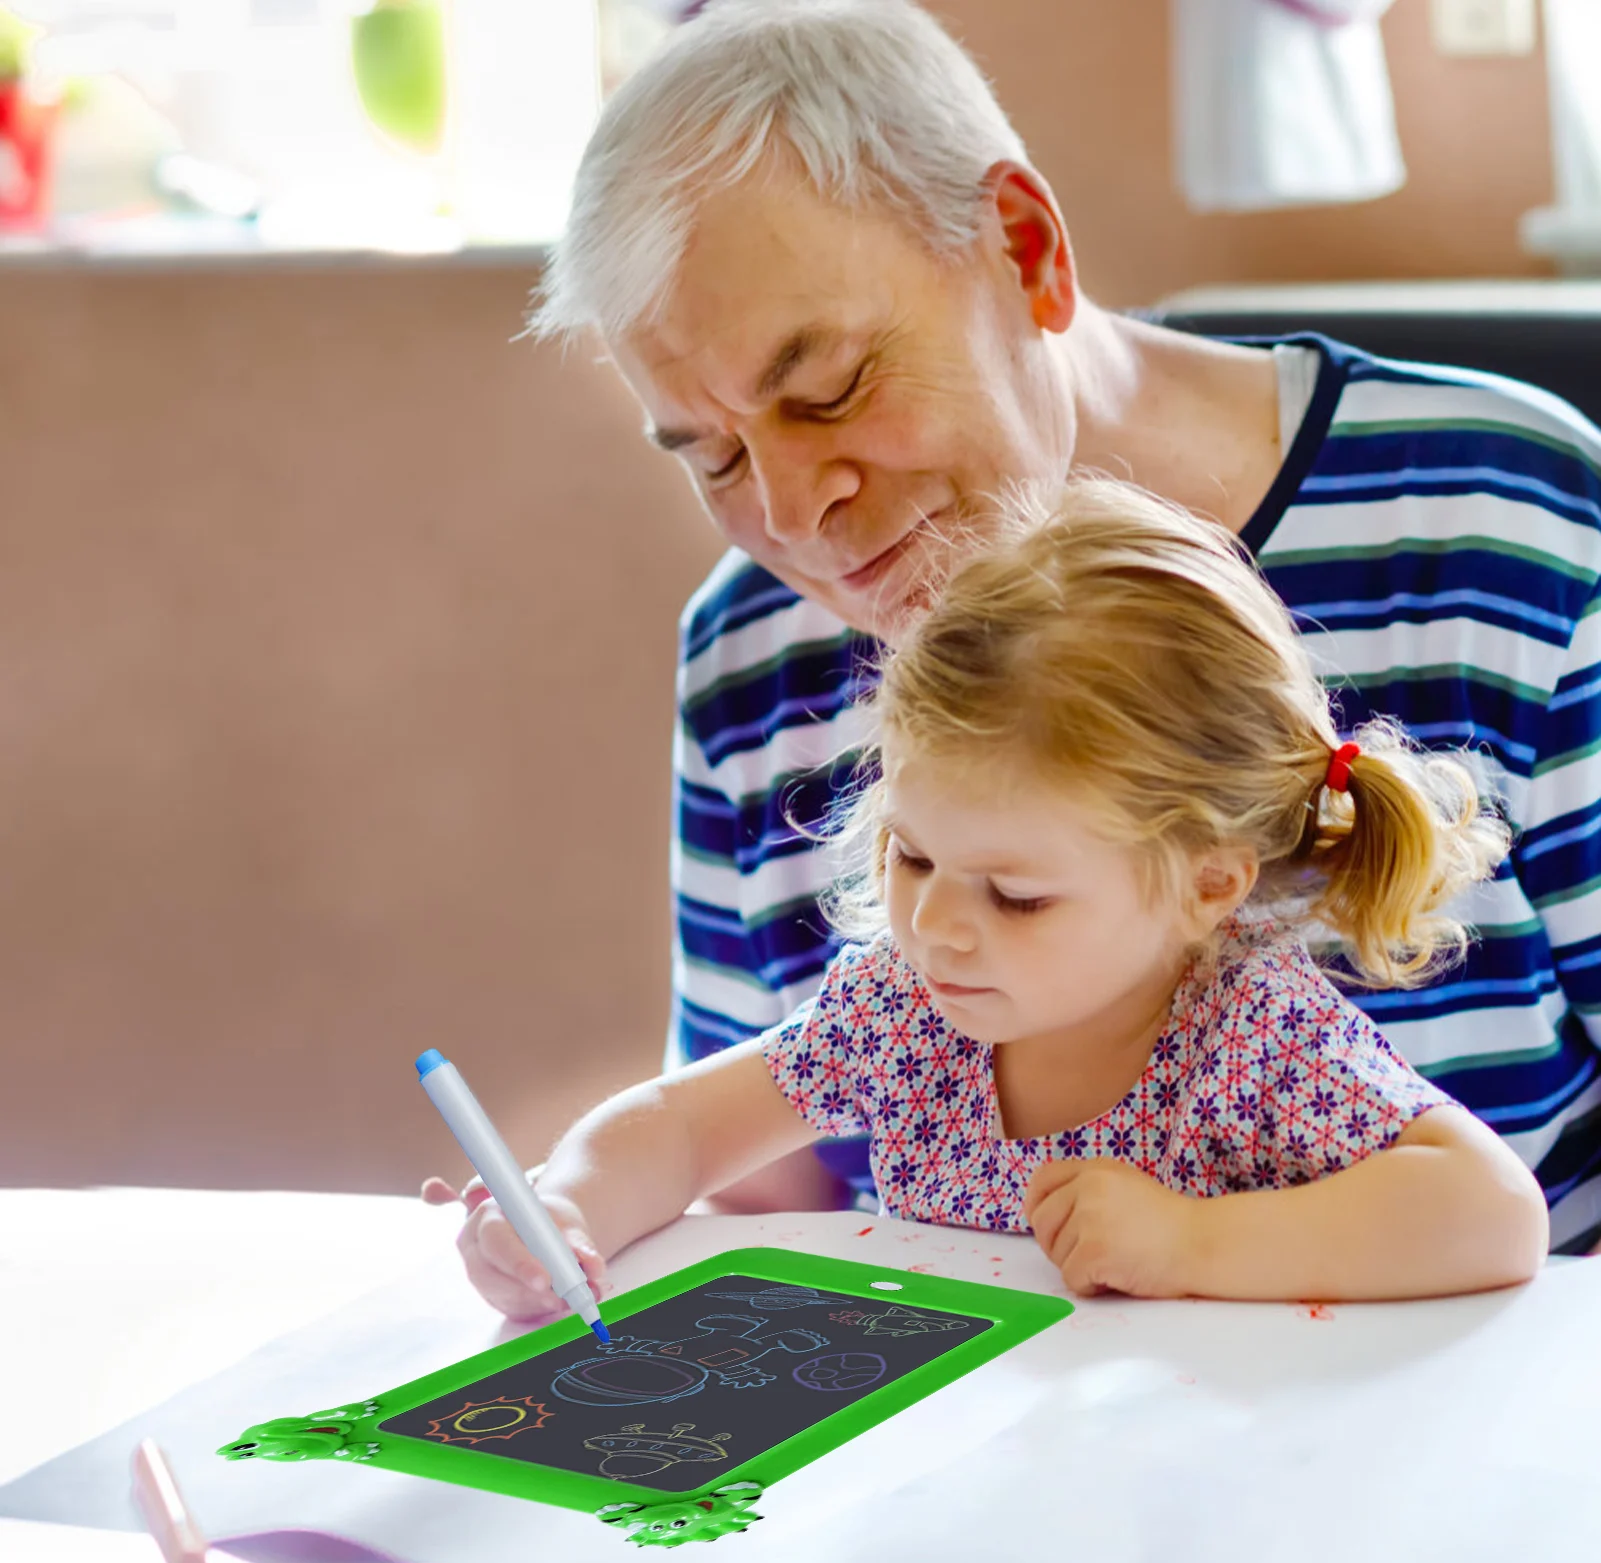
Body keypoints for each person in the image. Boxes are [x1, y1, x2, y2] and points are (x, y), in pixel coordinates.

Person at [426, 0, 1601, 1273]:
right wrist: (563, 1218)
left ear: (1027, 251)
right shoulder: (748, 654)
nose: (788, 514)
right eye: (708, 452)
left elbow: (1492, 1221)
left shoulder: (1509, 521)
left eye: (827, 390)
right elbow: (752, 1184)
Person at [432, 479, 1549, 1314]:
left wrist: (1190, 1245)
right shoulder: (907, 1013)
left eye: (1016, 896)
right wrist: (565, 1214)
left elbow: (1491, 1213)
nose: (937, 923)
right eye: (913, 857)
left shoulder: (1246, 1032)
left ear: (1207, 883)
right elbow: (676, 1130)